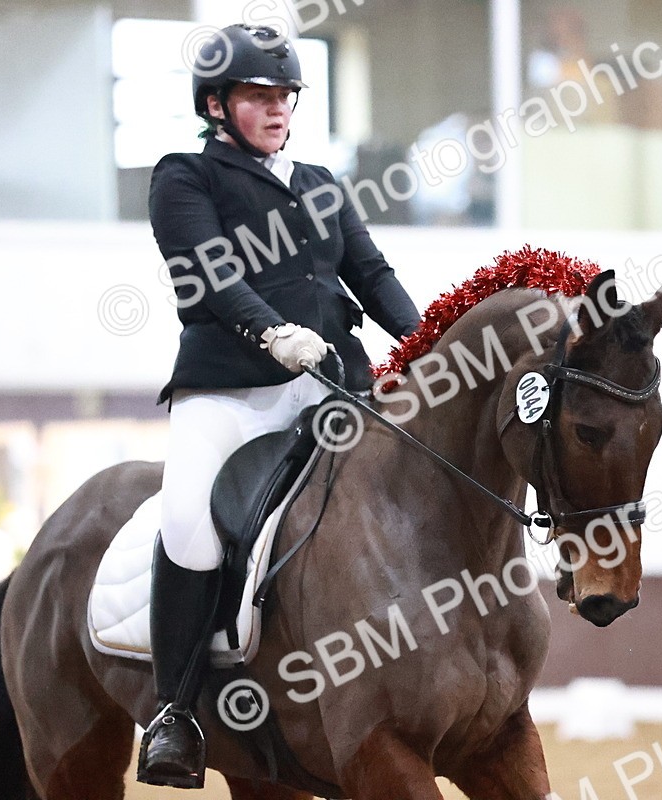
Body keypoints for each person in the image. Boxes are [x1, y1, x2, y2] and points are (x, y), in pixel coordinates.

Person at [139, 23, 421, 788]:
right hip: (230, 390)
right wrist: (272, 332)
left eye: (283, 96)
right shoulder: (184, 177)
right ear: (216, 104)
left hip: (331, 386)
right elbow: (209, 274)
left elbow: (374, 275)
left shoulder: (323, 184)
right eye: (257, 97)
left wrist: (432, 341)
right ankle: (175, 712)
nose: (275, 109)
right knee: (190, 523)